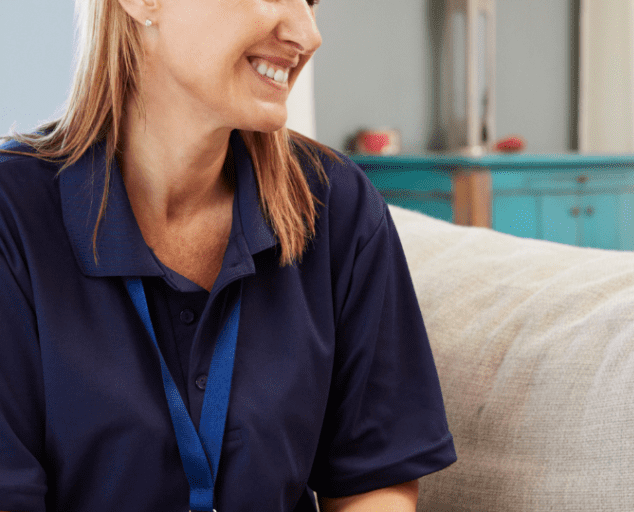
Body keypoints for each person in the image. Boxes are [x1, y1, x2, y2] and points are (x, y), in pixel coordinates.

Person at [0, 0, 455, 511]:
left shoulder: (338, 208)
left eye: (311, 2)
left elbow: (373, 486)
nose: (309, 33)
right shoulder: (12, 218)